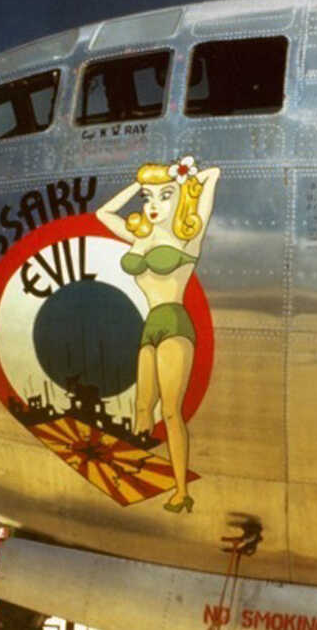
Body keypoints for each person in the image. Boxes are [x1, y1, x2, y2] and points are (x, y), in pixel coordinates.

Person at [96, 156, 220, 513]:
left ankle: (181, 491)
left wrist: (183, 180)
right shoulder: (142, 235)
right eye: (147, 199)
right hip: (150, 325)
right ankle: (139, 471)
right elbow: (103, 215)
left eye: (163, 197)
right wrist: (140, 183)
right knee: (139, 409)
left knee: (170, 412)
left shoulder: (188, 237)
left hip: (175, 325)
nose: (152, 206)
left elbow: (212, 174)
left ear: (179, 199)